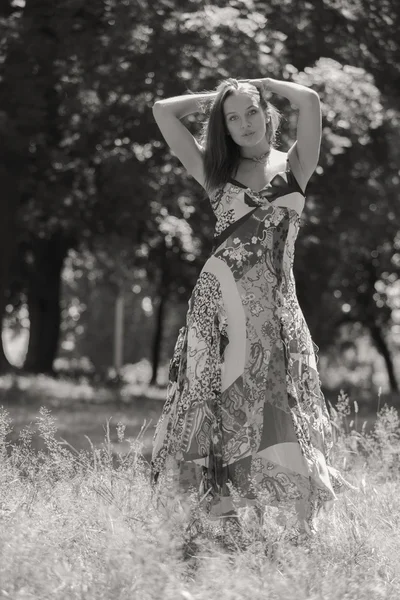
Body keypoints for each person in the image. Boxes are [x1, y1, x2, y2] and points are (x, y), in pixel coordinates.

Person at [150, 76, 352, 540]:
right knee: (217, 403)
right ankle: (220, 518)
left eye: (252, 112)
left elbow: (311, 99)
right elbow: (163, 109)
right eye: (232, 118)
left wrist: (261, 83)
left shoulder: (297, 163)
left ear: (268, 112)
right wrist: (219, 97)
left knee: (286, 404)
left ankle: (303, 528)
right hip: (221, 304)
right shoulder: (214, 170)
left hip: (278, 308)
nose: (244, 124)